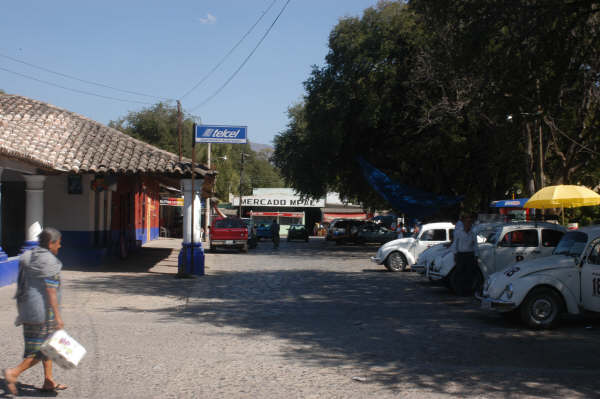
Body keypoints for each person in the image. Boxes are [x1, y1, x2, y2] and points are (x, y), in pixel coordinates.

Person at [3, 228, 68, 395]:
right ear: (51, 243)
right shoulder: (50, 262)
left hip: (27, 309)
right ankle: (13, 373)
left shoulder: (27, 256)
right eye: (58, 242)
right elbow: (51, 292)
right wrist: (58, 318)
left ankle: (48, 380)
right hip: (43, 313)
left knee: (47, 344)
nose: (60, 246)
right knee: (42, 350)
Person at [450, 214, 479, 296]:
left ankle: (468, 291)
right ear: (464, 223)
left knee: (469, 274)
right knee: (460, 274)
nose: (468, 224)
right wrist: (455, 255)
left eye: (470, 222)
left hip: (470, 255)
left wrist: (476, 256)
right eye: (467, 222)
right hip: (461, 255)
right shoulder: (458, 233)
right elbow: (455, 244)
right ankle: (460, 291)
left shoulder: (473, 233)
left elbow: (475, 245)